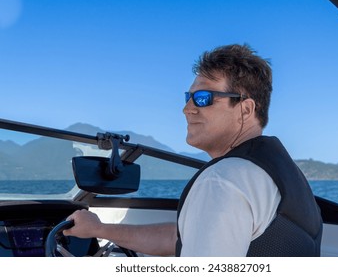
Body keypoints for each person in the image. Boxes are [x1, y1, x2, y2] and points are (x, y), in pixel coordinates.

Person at [64, 44, 322, 256]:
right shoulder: (279, 172)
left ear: (245, 109)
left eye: (203, 98)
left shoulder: (223, 180)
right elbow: (182, 237)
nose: (187, 109)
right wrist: (99, 229)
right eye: (188, 97)